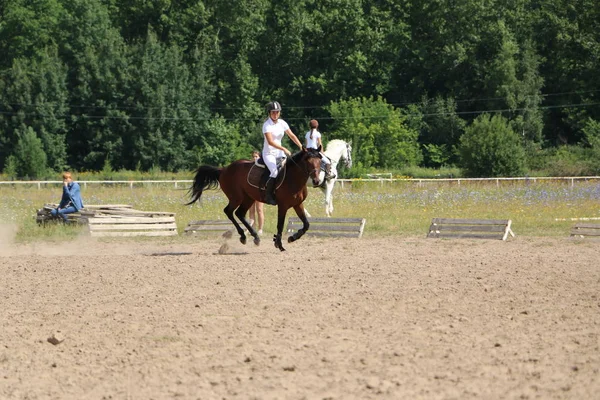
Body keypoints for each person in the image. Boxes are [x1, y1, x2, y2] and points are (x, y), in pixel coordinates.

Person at [262, 101, 303, 205]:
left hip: (280, 153)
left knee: (288, 169)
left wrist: (301, 146)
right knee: (275, 172)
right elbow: (270, 142)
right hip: (269, 154)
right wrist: (284, 148)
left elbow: (292, 135)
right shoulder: (266, 125)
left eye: (277, 112)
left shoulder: (282, 123)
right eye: (273, 112)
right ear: (269, 113)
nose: (275, 114)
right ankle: (268, 196)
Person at [248, 150, 265, 235]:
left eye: (256, 156)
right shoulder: (251, 168)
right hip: (251, 191)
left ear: (259, 157)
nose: (254, 158)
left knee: (259, 210)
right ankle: (252, 228)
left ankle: (260, 229)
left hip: (259, 191)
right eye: (253, 156)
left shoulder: (262, 167)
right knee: (251, 210)